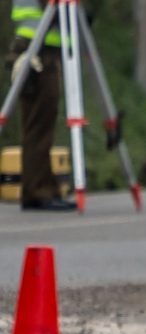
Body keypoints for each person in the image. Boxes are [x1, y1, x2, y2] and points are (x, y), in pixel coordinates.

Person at [7, 0, 75, 211]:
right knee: (39, 124)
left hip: (35, 41)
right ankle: (39, 191)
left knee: (39, 123)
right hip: (37, 45)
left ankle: (41, 188)